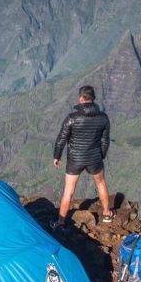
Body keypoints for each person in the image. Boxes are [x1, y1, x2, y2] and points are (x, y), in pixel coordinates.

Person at [52, 85, 113, 229]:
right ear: (93, 99)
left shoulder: (72, 118)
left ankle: (60, 222)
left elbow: (62, 138)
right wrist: (101, 155)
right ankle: (106, 214)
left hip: (75, 159)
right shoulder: (103, 118)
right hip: (94, 158)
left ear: (81, 98)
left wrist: (57, 156)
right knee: (101, 184)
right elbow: (105, 140)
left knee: (69, 191)